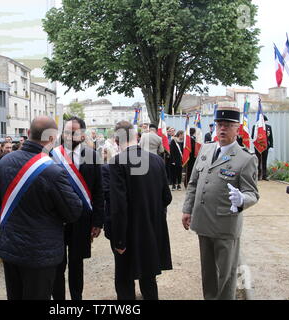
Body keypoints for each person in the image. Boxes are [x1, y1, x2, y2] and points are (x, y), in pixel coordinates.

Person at [0, 116, 83, 300]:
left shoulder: (4, 162)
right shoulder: (53, 171)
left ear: (28, 134)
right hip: (40, 253)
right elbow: (74, 211)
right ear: (52, 138)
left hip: (11, 247)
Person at [182, 105, 259, 300]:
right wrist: (187, 209)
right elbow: (193, 183)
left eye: (227, 125)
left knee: (226, 275)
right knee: (208, 273)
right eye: (219, 125)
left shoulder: (245, 158)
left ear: (237, 129)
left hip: (225, 224)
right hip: (203, 222)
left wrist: (243, 200)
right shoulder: (206, 150)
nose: (222, 129)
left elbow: (252, 193)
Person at [109, 121, 172, 300]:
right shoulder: (157, 160)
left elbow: (118, 206)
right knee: (149, 279)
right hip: (152, 229)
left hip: (128, 232)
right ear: (137, 137)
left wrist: (119, 240)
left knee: (124, 281)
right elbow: (167, 197)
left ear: (116, 140)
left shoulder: (117, 162)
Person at [52, 116, 104, 301]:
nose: (68, 135)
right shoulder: (52, 155)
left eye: (73, 132)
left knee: (76, 264)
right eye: (66, 131)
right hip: (56, 221)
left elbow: (99, 190)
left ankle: (76, 299)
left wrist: (98, 221)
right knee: (57, 264)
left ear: (82, 134)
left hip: (82, 220)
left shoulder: (93, 156)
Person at [251, 115, 273, 181]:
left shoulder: (268, 127)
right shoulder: (255, 127)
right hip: (257, 146)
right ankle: (258, 175)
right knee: (258, 161)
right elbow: (253, 136)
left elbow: (271, 137)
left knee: (264, 161)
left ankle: (264, 176)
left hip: (265, 146)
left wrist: (271, 146)